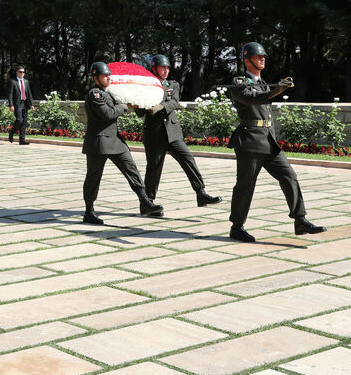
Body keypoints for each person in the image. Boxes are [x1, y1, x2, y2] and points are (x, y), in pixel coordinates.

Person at [227, 42, 327, 242]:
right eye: (258, 56)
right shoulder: (239, 82)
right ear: (247, 60)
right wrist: (276, 91)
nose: (262, 59)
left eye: (263, 56)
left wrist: (274, 89)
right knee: (246, 184)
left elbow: (263, 98)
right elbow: (253, 98)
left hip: (268, 141)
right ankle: (237, 227)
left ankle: (300, 219)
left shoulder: (264, 83)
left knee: (289, 175)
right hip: (250, 141)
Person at [82, 62, 163, 225]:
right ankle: (89, 211)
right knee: (93, 177)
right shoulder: (94, 94)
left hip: (115, 141)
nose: (108, 78)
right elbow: (107, 113)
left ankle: (145, 201)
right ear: (96, 78)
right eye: (104, 76)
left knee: (131, 170)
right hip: (99, 142)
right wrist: (123, 107)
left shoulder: (109, 93)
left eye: (108, 75)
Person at [138, 55, 221, 207]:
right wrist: (137, 103)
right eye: (162, 68)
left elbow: (174, 102)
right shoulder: (145, 87)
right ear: (154, 69)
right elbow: (140, 112)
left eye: (167, 68)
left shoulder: (173, 85)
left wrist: (161, 107)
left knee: (188, 159)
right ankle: (147, 203)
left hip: (172, 132)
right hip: (154, 134)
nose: (166, 70)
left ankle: (201, 193)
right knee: (154, 168)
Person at [7, 65, 35, 144]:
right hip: (17, 104)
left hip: (25, 103)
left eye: (23, 72)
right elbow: (10, 95)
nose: (22, 73)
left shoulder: (26, 82)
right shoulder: (13, 81)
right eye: (20, 72)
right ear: (17, 72)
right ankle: (11, 133)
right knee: (19, 120)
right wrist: (11, 105)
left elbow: (29, 94)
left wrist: (31, 105)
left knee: (24, 122)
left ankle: (22, 140)